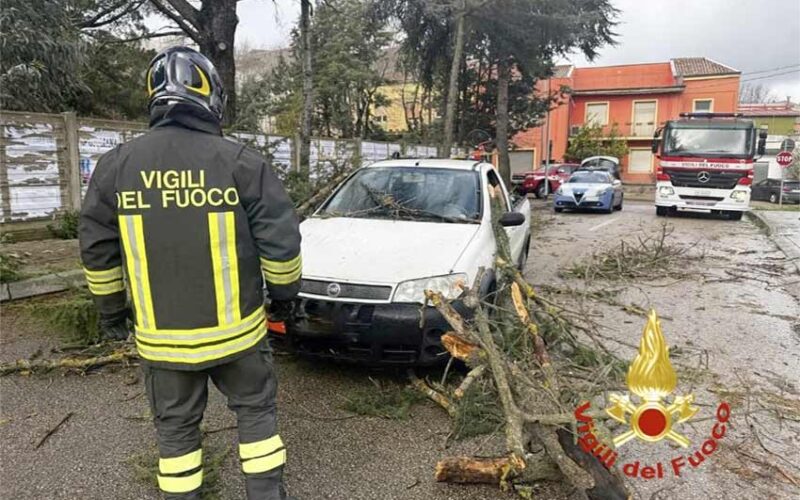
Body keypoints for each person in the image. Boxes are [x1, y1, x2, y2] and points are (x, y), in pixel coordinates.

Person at [79, 46, 300, 500]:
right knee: (257, 418)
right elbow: (281, 243)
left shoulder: (115, 167)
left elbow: (97, 252)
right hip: (239, 337)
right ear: (211, 97)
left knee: (176, 438)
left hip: (164, 345)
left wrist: (111, 313)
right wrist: (284, 295)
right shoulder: (242, 162)